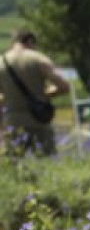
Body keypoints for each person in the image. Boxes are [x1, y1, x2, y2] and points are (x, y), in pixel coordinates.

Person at [0, 28, 70, 156]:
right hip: (39, 121)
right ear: (30, 41)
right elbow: (63, 86)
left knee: (13, 166)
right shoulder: (38, 59)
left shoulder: (1, 62)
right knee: (46, 164)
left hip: (12, 123)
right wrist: (45, 94)